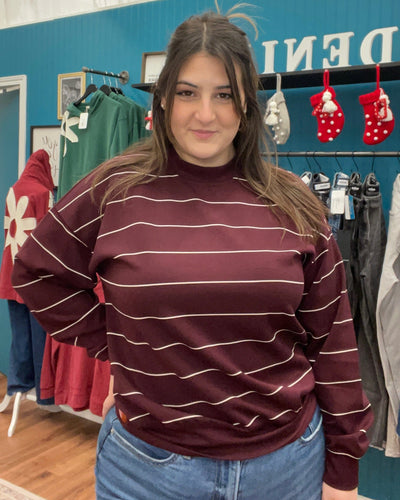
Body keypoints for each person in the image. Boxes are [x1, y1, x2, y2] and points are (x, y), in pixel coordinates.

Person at [12, 6, 373, 500]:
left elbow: (332, 342)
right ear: (163, 100)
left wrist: (343, 471)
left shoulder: (294, 202)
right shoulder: (115, 188)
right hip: (146, 469)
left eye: (224, 94)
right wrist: (120, 348)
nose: (206, 114)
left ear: (246, 104)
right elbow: (38, 272)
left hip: (285, 467)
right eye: (187, 93)